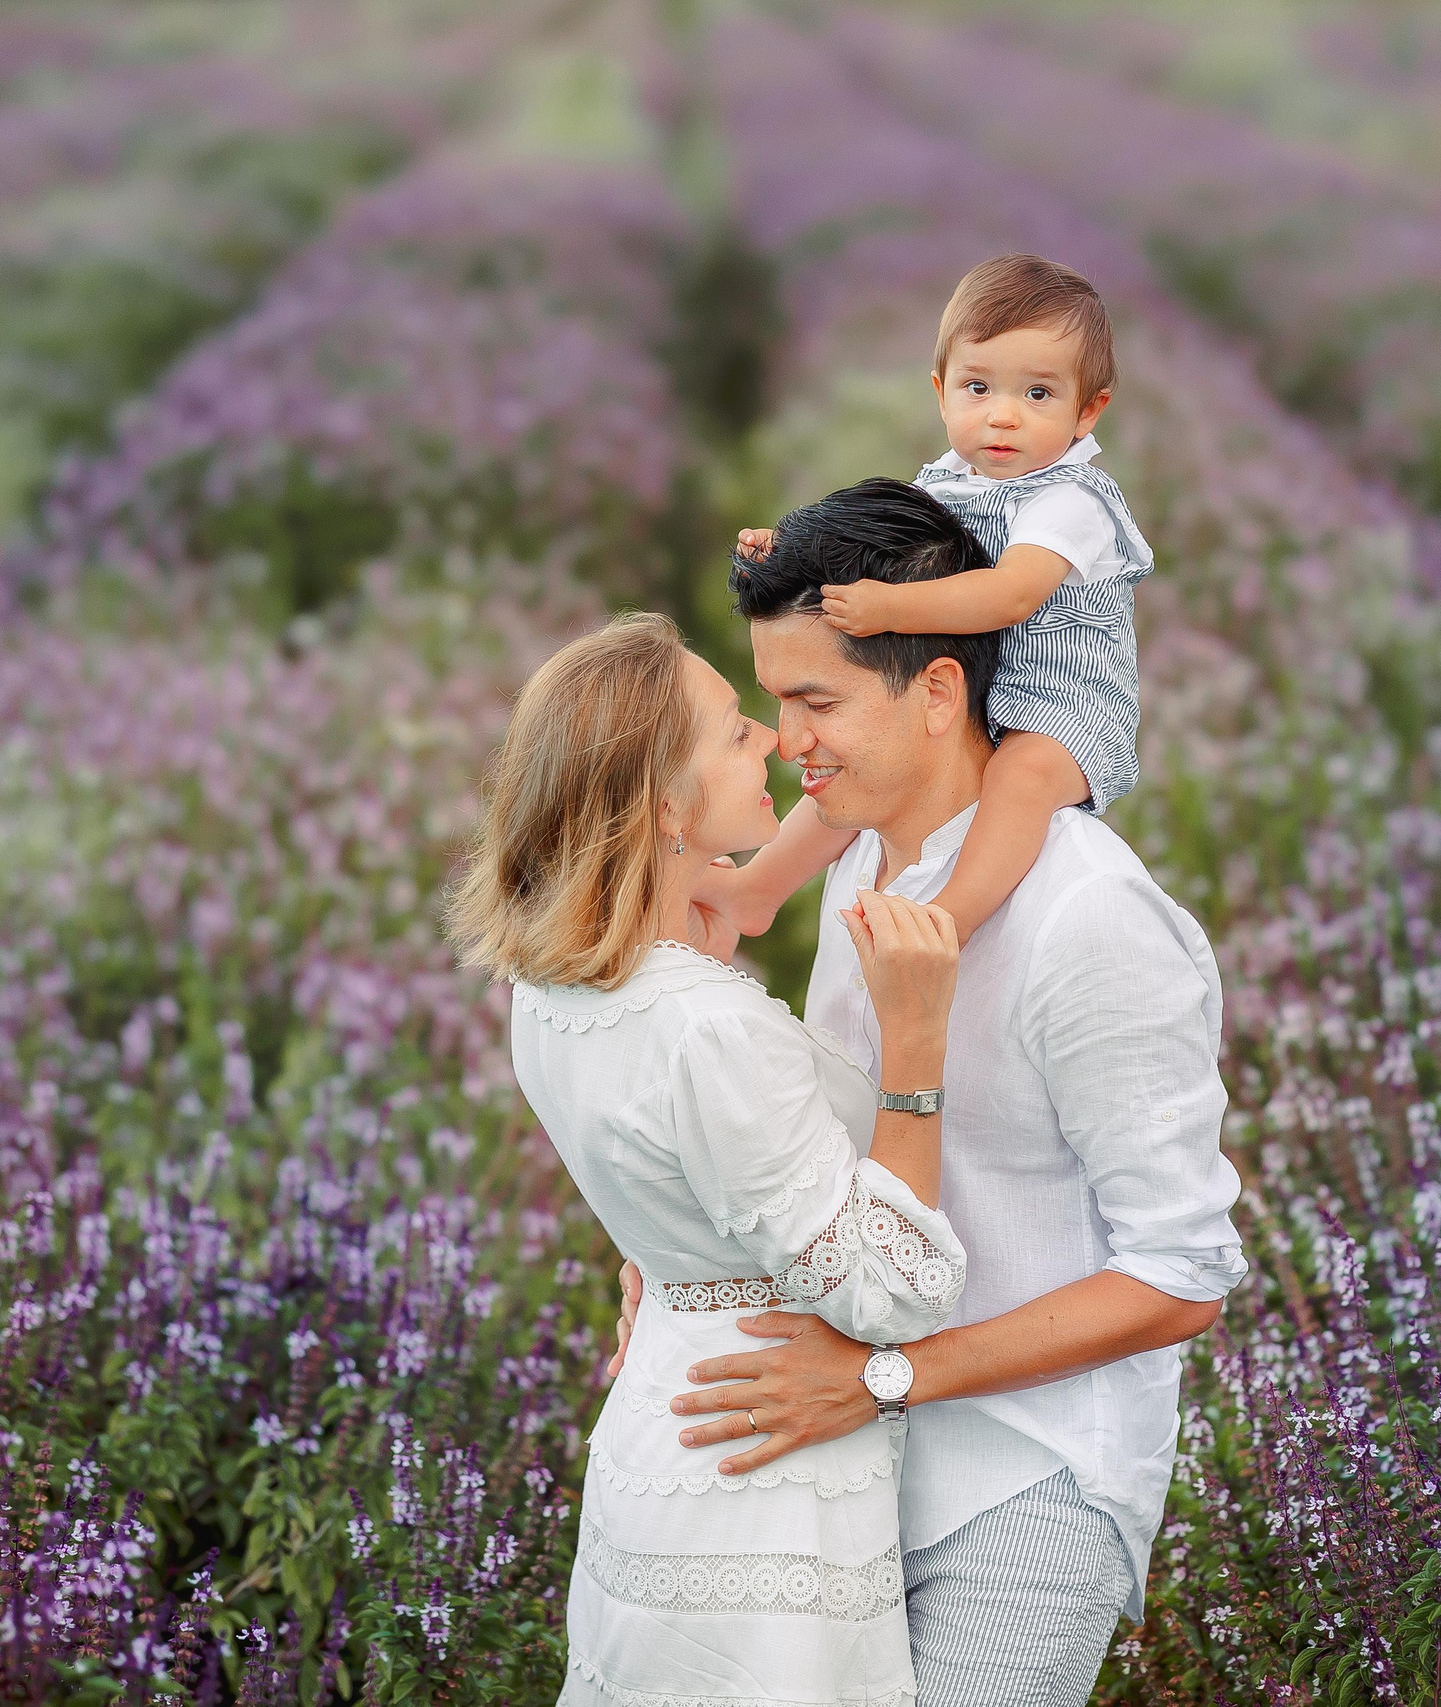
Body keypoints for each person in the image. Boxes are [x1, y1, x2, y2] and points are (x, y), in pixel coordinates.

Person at [641, 480, 1248, 1705]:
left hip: (1027, 1478)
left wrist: (878, 1378)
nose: (787, 738)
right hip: (851, 1462)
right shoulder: (863, 849)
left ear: (935, 693)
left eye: (816, 701)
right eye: (772, 700)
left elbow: (1183, 1275)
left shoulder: (1090, 924)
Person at [448, 610, 971, 1707]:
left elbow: (666, 1192)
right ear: (662, 803)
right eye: (737, 733)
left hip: (664, 1447)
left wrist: (661, 1263)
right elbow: (889, 1290)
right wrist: (914, 1046)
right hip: (764, 1480)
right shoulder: (704, 1027)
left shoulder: (549, 990)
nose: (776, 743)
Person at [703, 252, 1152, 941]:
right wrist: (785, 548)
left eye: (1037, 395)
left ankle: (951, 917)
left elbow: (1010, 595)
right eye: (978, 388)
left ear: (1088, 412)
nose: (1002, 417)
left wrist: (887, 609)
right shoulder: (949, 480)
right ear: (941, 391)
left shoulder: (1071, 500)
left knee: (1019, 778)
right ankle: (758, 888)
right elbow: (871, 538)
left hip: (1063, 704)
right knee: (853, 766)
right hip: (983, 679)